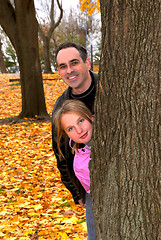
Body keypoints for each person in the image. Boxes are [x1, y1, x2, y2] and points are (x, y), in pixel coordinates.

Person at [52, 42, 98, 206]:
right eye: (63, 66)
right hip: (91, 188)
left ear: (87, 63)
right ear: (59, 71)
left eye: (74, 63)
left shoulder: (109, 89)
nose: (69, 70)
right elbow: (61, 153)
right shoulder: (61, 107)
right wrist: (75, 191)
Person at [53, 99, 96, 240]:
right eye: (70, 128)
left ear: (91, 117)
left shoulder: (101, 142)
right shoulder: (73, 146)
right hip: (90, 197)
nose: (79, 130)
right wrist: (77, 193)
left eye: (81, 121)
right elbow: (66, 170)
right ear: (66, 133)